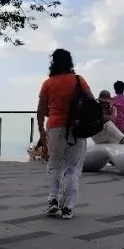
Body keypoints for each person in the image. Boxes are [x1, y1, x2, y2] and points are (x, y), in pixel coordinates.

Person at [37, 48, 96, 219]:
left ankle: (53, 200)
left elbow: (41, 110)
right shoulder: (78, 80)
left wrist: (41, 132)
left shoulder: (48, 83)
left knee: (54, 165)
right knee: (73, 167)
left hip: (55, 126)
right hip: (76, 128)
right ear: (70, 62)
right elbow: (92, 102)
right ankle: (68, 207)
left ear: (53, 62)